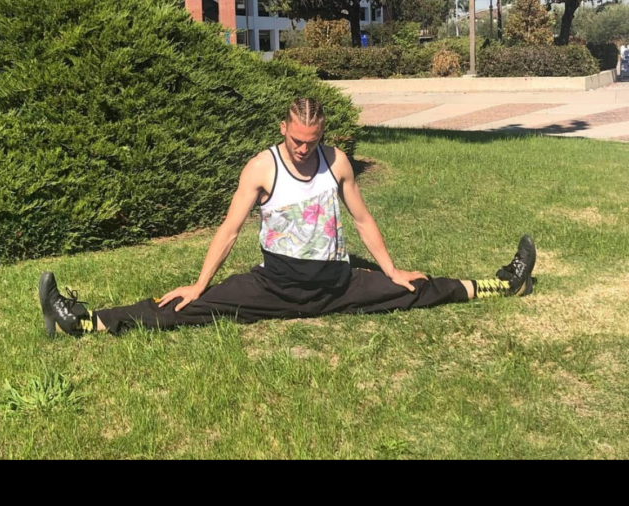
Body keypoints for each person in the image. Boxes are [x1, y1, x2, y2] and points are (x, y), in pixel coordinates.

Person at [38, 96, 536, 339]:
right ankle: (80, 322)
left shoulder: (336, 162)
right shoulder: (262, 167)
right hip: (274, 287)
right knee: (189, 307)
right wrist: (199, 282)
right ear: (283, 128)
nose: (303, 148)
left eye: (311, 141)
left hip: (337, 286)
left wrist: (389, 270)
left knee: (417, 288)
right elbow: (230, 229)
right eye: (296, 139)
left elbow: (363, 221)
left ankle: (506, 284)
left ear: (322, 135)